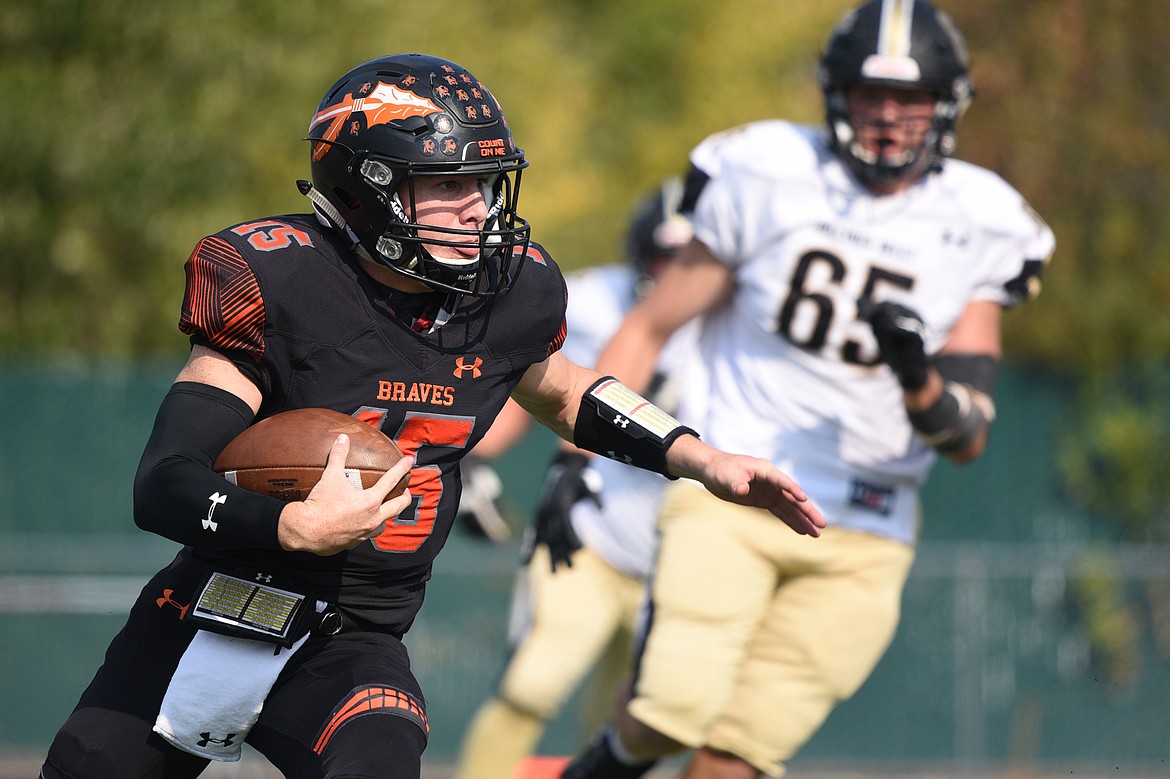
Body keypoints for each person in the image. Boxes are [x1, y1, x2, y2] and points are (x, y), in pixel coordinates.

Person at [39, 53, 825, 779]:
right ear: (367, 187)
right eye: (448, 184)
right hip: (208, 602)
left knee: (380, 754)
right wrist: (291, 527)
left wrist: (699, 456)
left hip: (349, 634)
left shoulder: (511, 294)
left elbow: (568, 391)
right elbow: (163, 483)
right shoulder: (279, 279)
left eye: (484, 184)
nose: (476, 208)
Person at [553, 2, 1056, 778]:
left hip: (867, 528)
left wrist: (917, 377)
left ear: (947, 107)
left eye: (910, 99)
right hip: (736, 490)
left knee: (737, 755)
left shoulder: (980, 219)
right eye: (869, 95)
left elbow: (967, 436)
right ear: (832, 93)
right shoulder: (768, 173)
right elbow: (650, 326)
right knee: (665, 712)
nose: (888, 119)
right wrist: (574, 458)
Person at [454, 179, 698, 779]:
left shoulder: (740, 319)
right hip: (589, 528)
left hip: (685, 552)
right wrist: (474, 458)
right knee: (533, 683)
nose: (672, 277)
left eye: (685, 261)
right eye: (664, 258)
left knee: (630, 721)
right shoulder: (594, 300)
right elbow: (528, 379)